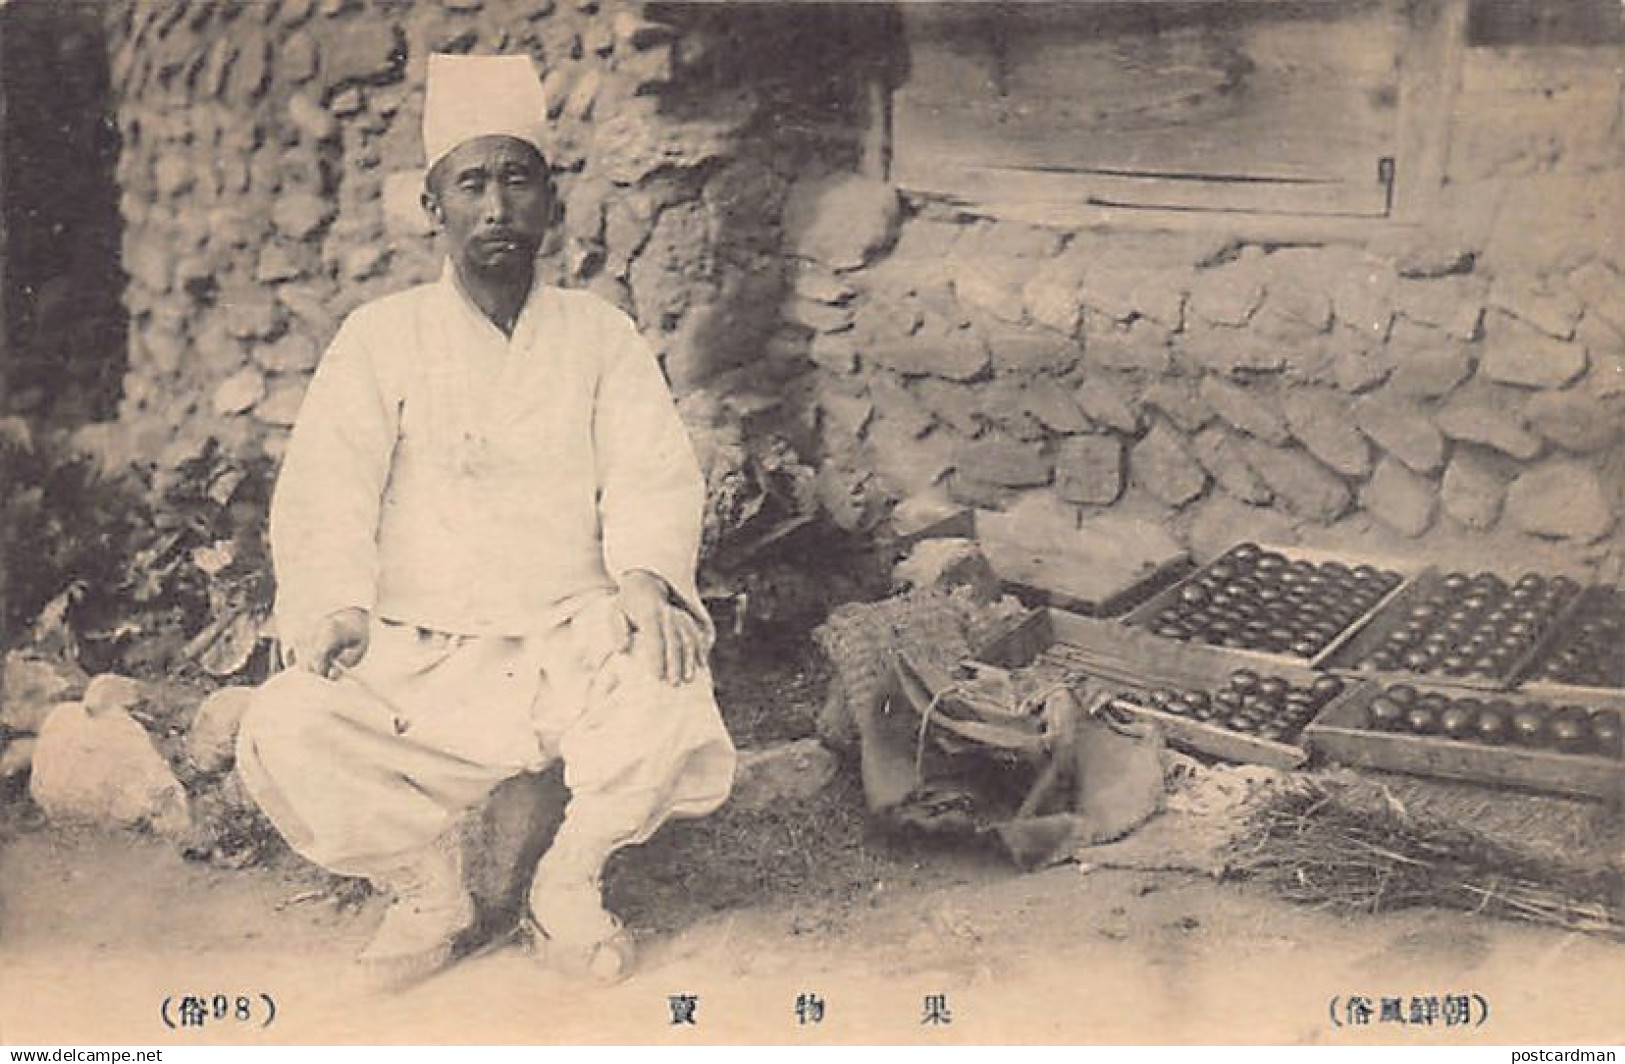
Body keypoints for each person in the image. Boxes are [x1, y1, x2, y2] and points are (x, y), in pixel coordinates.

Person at [234, 53, 736, 989]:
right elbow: (326, 488)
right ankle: (429, 894)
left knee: (673, 688)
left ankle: (568, 881)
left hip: (572, 636)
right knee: (285, 722)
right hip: (422, 652)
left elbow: (649, 472)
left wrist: (643, 581)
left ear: (549, 201)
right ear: (434, 208)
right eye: (471, 183)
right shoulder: (381, 337)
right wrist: (337, 602)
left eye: (517, 179)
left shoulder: (600, 335)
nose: (497, 206)